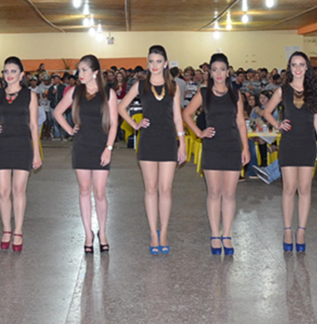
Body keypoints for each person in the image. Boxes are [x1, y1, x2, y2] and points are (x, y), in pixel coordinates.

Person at [118, 45, 186, 254]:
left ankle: (163, 232)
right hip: (147, 140)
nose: (154, 65)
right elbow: (121, 107)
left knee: (165, 189)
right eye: (151, 61)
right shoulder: (140, 85)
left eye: (158, 61)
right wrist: (135, 124)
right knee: (150, 188)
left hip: (167, 140)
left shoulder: (173, 86)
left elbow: (177, 116)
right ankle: (153, 233)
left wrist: (182, 143)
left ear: (165, 63)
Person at [182, 53, 249, 256]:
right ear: (209, 73)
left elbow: (240, 122)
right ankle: (214, 234)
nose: (218, 73)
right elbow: (186, 114)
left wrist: (245, 147)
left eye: (222, 69)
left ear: (228, 71)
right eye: (214, 70)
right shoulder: (204, 93)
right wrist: (199, 132)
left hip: (232, 146)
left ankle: (226, 234)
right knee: (214, 193)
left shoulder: (235, 94)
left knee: (229, 194)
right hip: (212, 147)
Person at [261, 51, 317, 253]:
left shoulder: (316, 91)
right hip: (289, 143)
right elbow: (266, 111)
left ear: (307, 67)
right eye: (293, 65)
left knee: (305, 188)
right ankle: (288, 229)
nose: (297, 68)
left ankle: (301, 231)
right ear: (289, 68)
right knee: (289, 188)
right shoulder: (283, 91)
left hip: (307, 143)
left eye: (301, 64)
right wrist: (278, 124)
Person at [53, 55, 119, 253]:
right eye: (79, 70)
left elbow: (114, 123)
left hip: (101, 145)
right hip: (81, 146)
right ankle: (88, 233)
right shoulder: (75, 91)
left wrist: (108, 148)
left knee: (99, 192)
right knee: (84, 189)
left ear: (95, 72)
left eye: (84, 70)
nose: (80, 74)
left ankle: (103, 232)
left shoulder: (109, 93)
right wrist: (69, 129)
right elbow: (57, 112)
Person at [0, 57, 42, 252]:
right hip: (4, 145)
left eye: (13, 71)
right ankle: (6, 229)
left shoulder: (30, 95)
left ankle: (18, 230)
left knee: (18, 190)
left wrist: (37, 154)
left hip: (23, 145)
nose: (9, 75)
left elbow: (33, 125)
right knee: (2, 191)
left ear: (22, 74)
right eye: (6, 71)